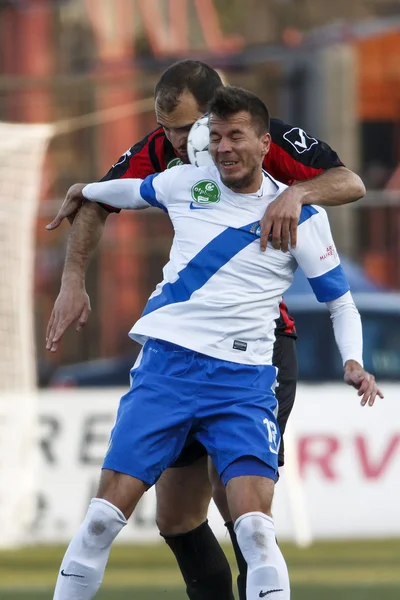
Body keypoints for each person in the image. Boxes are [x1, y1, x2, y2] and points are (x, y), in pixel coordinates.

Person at [46, 60, 366, 600]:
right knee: (174, 517)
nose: (181, 140)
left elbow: (350, 183)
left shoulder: (275, 141)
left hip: (258, 351)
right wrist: (73, 279)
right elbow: (101, 195)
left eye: (193, 129)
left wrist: (299, 193)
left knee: (243, 507)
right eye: (170, 129)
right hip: (173, 360)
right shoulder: (179, 170)